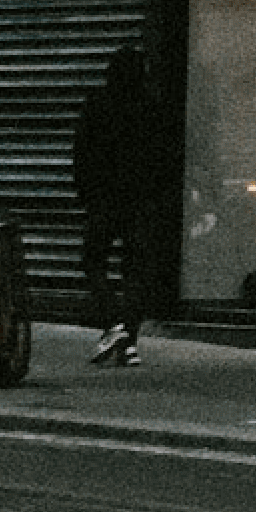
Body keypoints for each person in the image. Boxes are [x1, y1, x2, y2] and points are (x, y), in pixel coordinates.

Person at [69, 46, 173, 364]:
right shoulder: (151, 107)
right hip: (140, 200)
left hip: (104, 197)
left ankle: (114, 325)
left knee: (92, 260)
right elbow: (163, 156)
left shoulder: (97, 104)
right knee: (136, 271)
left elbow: (82, 151)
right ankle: (129, 338)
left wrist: (85, 191)